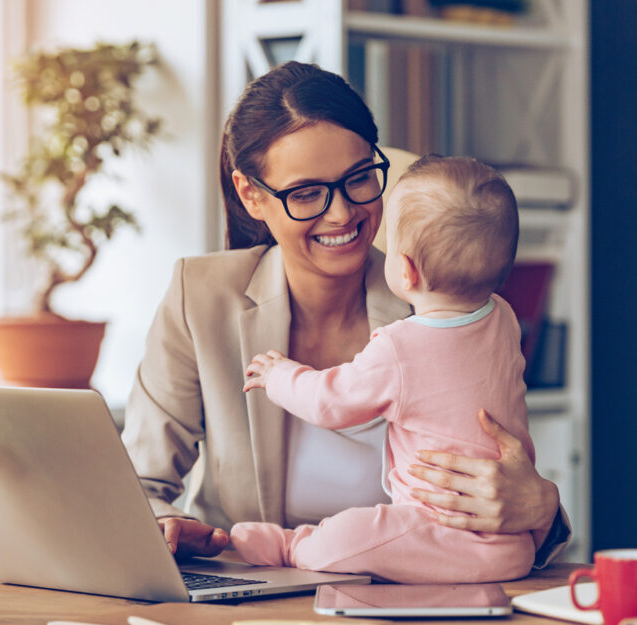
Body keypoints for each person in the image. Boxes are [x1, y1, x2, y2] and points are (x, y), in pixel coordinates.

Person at [120, 60, 569, 566]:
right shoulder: (199, 296)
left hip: (407, 596)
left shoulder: (443, 300)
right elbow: (136, 484)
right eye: (307, 193)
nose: (342, 213)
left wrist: (542, 507)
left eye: (358, 179)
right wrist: (165, 527)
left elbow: (506, 470)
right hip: (251, 595)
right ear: (251, 195)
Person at [230, 155, 535, 583]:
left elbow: (330, 402)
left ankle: (292, 545)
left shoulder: (400, 346)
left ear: (405, 270)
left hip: (437, 529)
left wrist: (278, 375)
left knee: (354, 532)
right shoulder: (503, 319)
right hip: (512, 545)